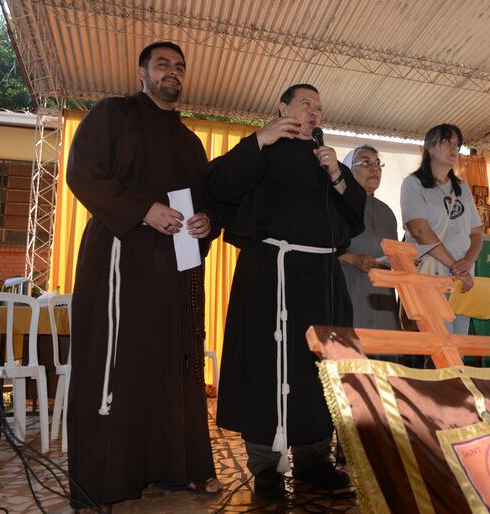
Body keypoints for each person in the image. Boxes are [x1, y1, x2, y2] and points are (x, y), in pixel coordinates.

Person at [66, 41, 221, 510]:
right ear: (141, 72)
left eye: (178, 67)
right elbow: (83, 174)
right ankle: (107, 477)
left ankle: (176, 467)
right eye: (162, 65)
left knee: (173, 363)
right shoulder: (112, 114)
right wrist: (143, 210)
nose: (172, 73)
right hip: (121, 258)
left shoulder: (191, 142)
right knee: (118, 362)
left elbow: (203, 201)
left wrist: (205, 222)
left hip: (175, 267)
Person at [204, 84, 365, 499]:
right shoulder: (262, 146)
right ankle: (265, 466)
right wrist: (259, 140)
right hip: (269, 275)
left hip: (321, 280)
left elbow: (355, 217)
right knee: (266, 367)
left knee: (318, 370)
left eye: (319, 107)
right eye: (305, 104)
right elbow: (218, 184)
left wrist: (336, 175)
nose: (314, 112)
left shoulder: (325, 159)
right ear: (282, 108)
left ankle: (314, 460)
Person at [400, 124, 483, 335]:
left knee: (459, 346)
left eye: (457, 144)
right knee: (440, 345)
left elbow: (476, 232)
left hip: (462, 279)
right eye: (447, 142)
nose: (454, 148)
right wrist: (456, 265)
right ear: (429, 148)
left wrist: (467, 264)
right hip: (432, 276)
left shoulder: (462, 188)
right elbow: (419, 230)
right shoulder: (413, 184)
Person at [339, 145, 399, 330]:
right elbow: (321, 249)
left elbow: (392, 253)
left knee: (385, 352)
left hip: (383, 298)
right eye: (366, 162)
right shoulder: (337, 204)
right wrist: (353, 259)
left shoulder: (387, 212)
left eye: (378, 164)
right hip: (350, 291)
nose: (375, 168)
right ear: (348, 170)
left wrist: (405, 262)